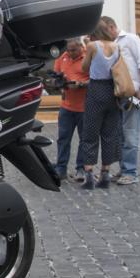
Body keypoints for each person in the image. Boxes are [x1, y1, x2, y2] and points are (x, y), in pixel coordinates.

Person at [101, 16, 140, 185]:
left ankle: (131, 172)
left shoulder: (131, 39)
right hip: (117, 94)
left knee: (130, 135)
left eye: (103, 31)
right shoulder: (110, 44)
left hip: (133, 94)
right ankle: (124, 169)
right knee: (120, 135)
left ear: (111, 26)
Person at [79, 20, 121, 190]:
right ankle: (105, 173)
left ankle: (89, 174)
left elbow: (84, 67)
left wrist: (85, 45)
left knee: (90, 132)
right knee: (110, 133)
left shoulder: (92, 45)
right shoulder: (116, 46)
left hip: (96, 90)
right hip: (113, 91)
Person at [52, 38, 89, 182]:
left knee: (84, 140)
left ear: (81, 47)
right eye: (68, 50)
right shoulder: (64, 57)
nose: (70, 52)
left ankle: (81, 169)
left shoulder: (88, 57)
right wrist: (58, 83)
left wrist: (80, 84)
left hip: (85, 107)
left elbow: (97, 79)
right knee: (63, 139)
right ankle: (61, 168)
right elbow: (56, 77)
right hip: (66, 106)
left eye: (73, 50)